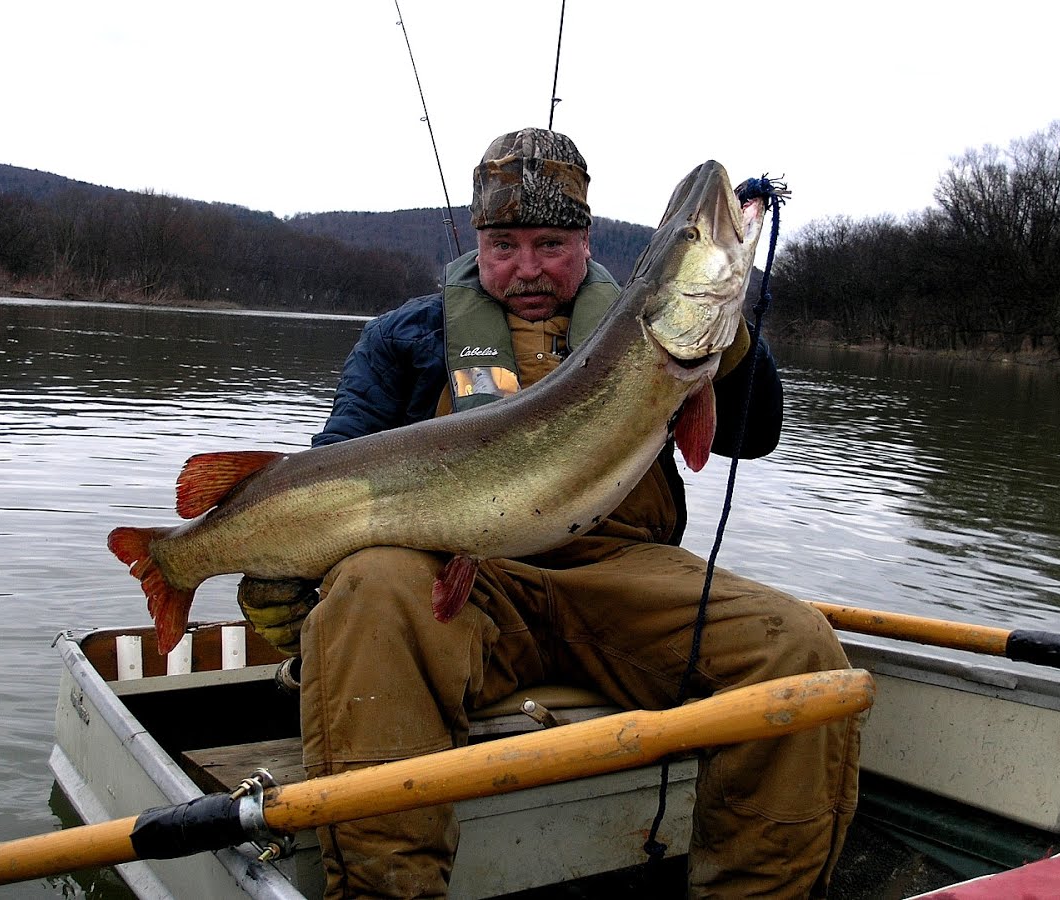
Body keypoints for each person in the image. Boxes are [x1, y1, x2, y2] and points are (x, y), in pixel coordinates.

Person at [237, 128, 860, 898]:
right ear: (476, 239)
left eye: (551, 243)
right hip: (467, 590)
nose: (527, 268)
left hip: (623, 581)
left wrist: (731, 334)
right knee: (367, 591)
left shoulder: (654, 319)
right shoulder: (405, 337)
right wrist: (292, 569)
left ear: (588, 239)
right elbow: (336, 467)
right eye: (504, 245)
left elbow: (751, 434)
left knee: (799, 649)